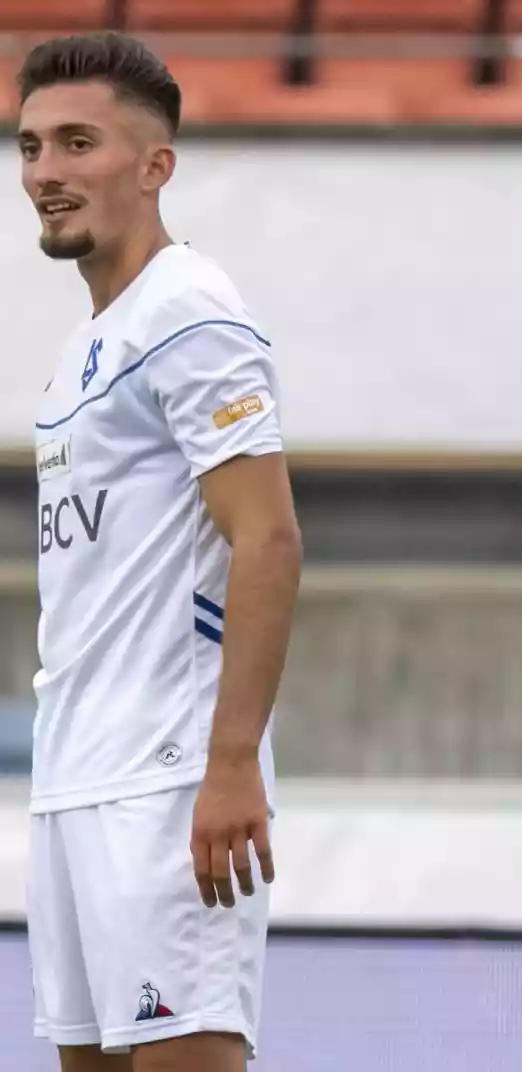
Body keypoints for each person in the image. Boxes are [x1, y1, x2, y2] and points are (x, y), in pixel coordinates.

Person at [20, 32, 302, 1072]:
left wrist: (230, 766)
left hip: (169, 780)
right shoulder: (83, 349)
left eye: (77, 142)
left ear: (154, 165)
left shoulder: (188, 310)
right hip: (73, 778)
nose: (44, 172)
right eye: (31, 145)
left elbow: (268, 539)